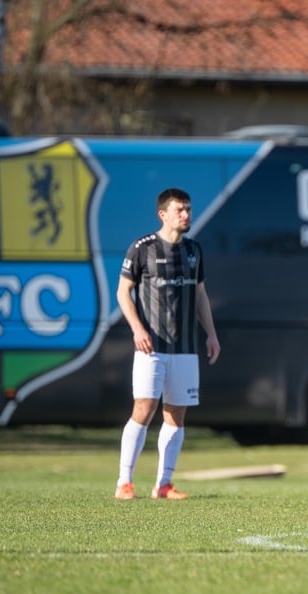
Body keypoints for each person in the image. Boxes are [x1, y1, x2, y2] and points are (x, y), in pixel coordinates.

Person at [113, 188, 221, 500]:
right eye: (180, 210)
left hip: (185, 348)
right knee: (144, 409)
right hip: (152, 347)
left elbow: (200, 296)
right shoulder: (142, 247)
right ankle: (124, 482)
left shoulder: (194, 250)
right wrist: (137, 328)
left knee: (177, 414)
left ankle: (164, 484)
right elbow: (123, 292)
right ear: (163, 214)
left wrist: (211, 334)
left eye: (188, 209)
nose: (186, 215)